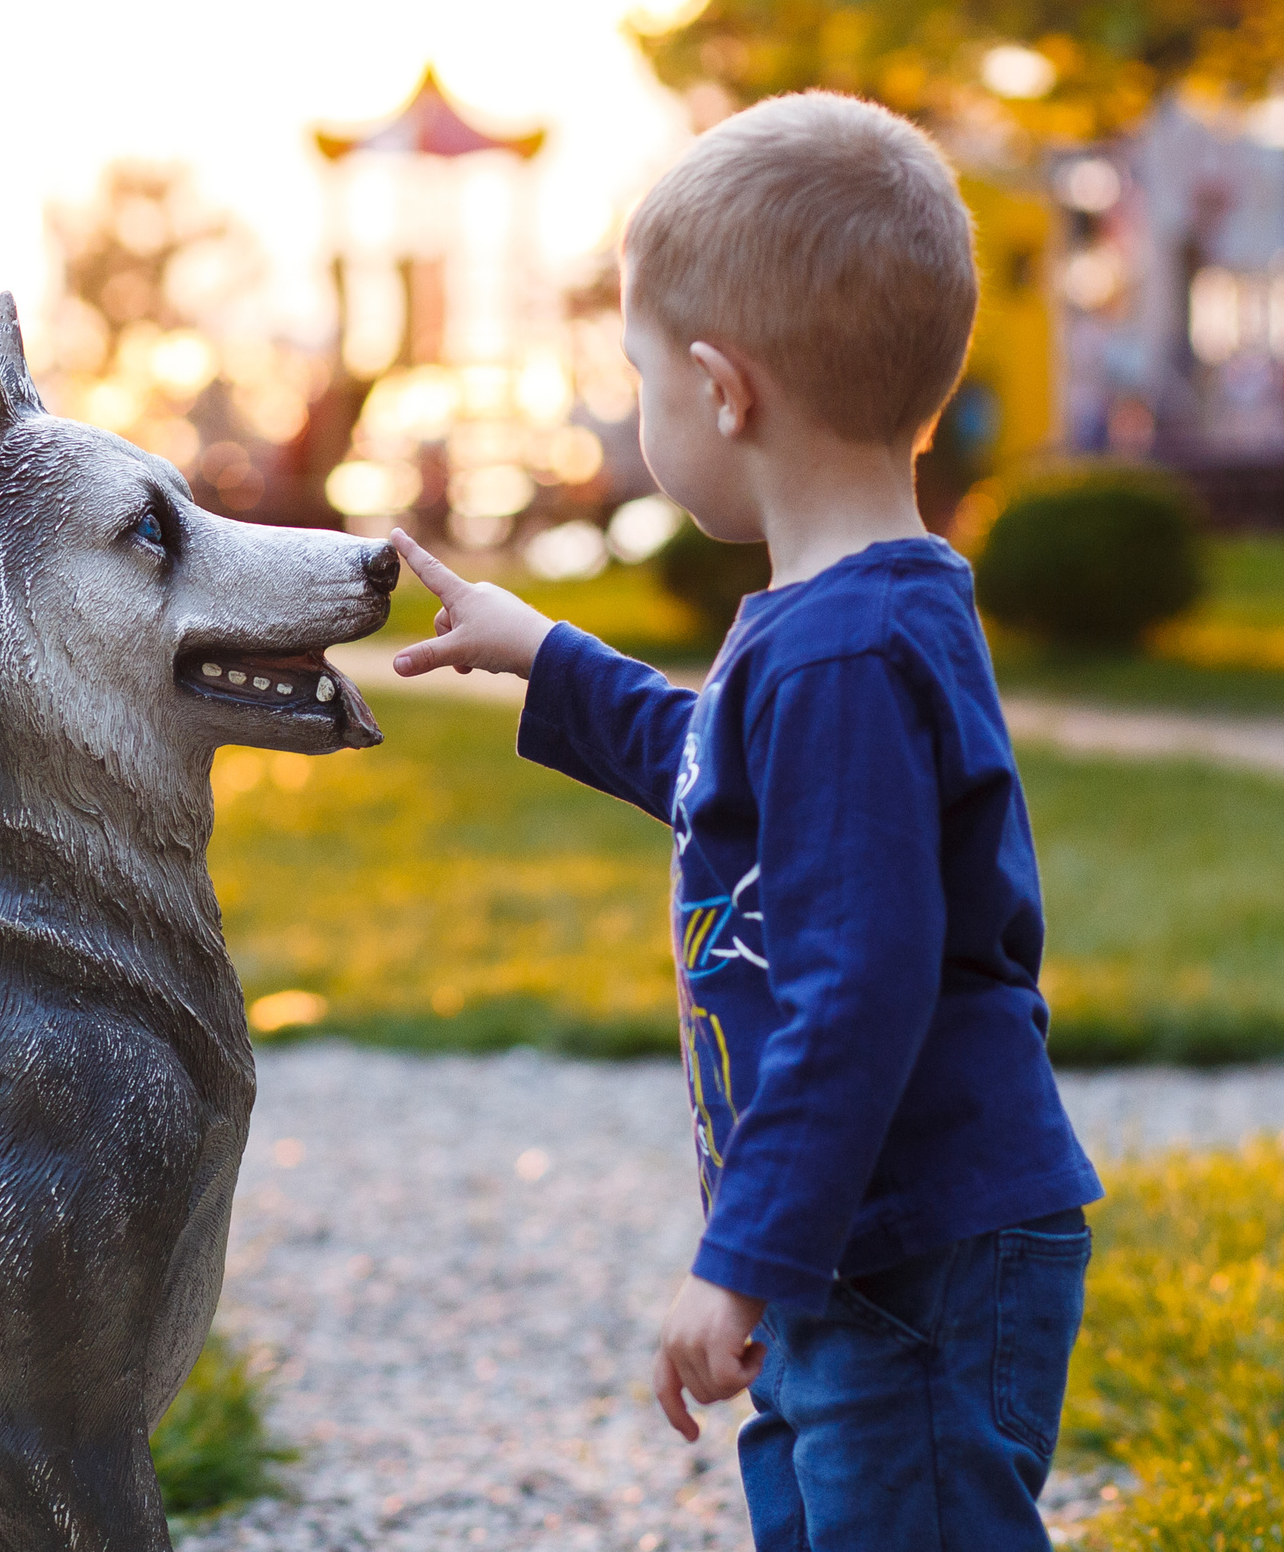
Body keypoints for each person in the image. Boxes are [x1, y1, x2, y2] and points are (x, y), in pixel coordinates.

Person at [383, 91, 1103, 1552]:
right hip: (874, 1240)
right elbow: (724, 774)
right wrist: (547, 657)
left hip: (913, 1246)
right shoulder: (846, 619)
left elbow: (859, 987)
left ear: (724, 390)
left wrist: (742, 1257)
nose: (641, 418)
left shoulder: (843, 653)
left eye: (641, 380)